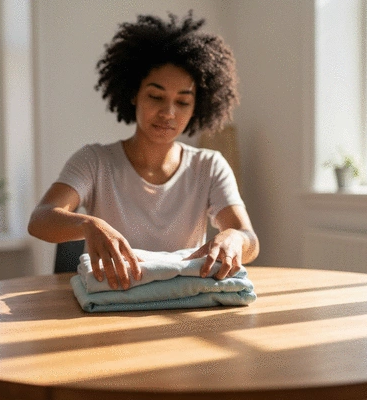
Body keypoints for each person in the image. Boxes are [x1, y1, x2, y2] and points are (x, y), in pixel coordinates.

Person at [28, 11, 259, 291]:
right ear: (134, 93)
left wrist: (235, 238)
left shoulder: (209, 165)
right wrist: (87, 225)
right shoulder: (94, 161)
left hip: (181, 303)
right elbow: (41, 220)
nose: (169, 113)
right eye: (156, 96)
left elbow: (250, 240)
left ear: (198, 106)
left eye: (183, 102)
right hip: (110, 300)